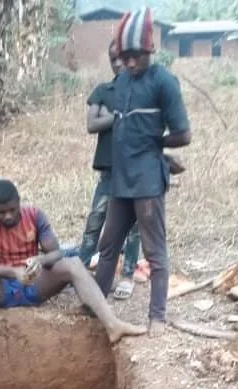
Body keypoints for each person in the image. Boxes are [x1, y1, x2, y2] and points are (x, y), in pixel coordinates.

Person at [0, 180, 145, 369]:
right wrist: (11, 272)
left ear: (19, 201)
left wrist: (40, 261)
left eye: (12, 209)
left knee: (73, 264)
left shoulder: (35, 215)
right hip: (0, 289)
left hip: (35, 286)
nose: (8, 215)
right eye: (1, 212)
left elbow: (56, 252)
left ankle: (113, 325)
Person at [93, 7, 192, 337]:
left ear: (150, 50)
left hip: (148, 180)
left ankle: (157, 318)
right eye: (125, 57)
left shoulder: (164, 81)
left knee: (154, 251)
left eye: (136, 56)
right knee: (108, 246)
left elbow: (184, 134)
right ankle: (96, 307)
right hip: (121, 180)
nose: (130, 63)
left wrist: (156, 145)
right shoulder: (121, 82)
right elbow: (116, 128)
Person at [79, 41, 141, 301]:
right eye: (112, 58)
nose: (117, 63)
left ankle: (127, 276)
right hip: (108, 172)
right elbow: (92, 124)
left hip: (135, 171)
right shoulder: (103, 90)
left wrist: (111, 115)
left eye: (122, 58)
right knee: (95, 222)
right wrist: (120, 115)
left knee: (134, 227)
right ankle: (80, 272)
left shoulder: (142, 91)